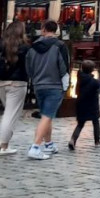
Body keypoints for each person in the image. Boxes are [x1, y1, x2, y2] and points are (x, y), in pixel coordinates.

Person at [24, 20, 71, 160]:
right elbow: (64, 66)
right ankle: (35, 146)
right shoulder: (60, 46)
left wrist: (34, 79)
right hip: (54, 85)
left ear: (43, 29)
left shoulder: (33, 47)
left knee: (47, 114)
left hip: (38, 85)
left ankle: (48, 144)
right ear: (56, 30)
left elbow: (29, 67)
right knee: (47, 116)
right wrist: (65, 85)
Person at [0, 20, 29, 155]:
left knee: (9, 112)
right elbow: (27, 66)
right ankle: (4, 144)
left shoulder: (0, 44)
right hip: (17, 83)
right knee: (11, 114)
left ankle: (4, 141)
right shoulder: (24, 47)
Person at [68, 60, 100, 150]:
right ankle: (97, 141)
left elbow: (76, 92)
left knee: (80, 124)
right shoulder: (94, 82)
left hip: (81, 104)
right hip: (92, 105)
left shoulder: (79, 79)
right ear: (92, 70)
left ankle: (73, 140)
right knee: (95, 122)